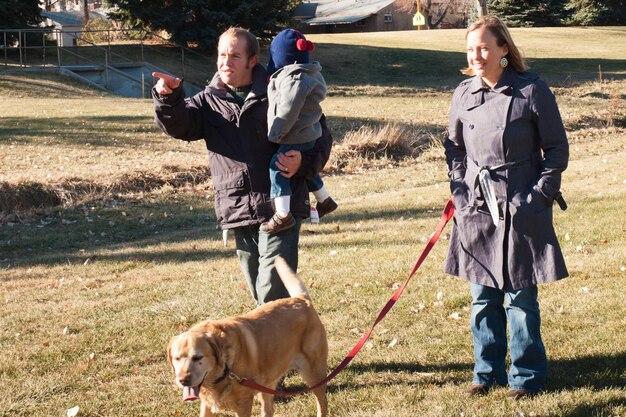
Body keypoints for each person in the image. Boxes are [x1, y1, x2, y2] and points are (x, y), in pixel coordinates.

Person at [151, 27, 333, 305]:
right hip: (238, 208)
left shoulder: (281, 90)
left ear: (252, 60)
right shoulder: (207, 101)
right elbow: (181, 125)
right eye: (222, 55)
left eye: (235, 55)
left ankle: (282, 345)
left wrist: (304, 163)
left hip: (280, 208)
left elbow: (320, 135)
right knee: (261, 298)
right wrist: (168, 98)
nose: (226, 62)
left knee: (272, 296)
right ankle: (279, 345)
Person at [444, 15, 569, 399]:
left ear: (504, 50)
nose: (476, 55)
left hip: (521, 204)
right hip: (477, 207)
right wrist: (462, 195)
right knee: (482, 297)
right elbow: (455, 152)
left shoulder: (532, 90)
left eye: (484, 47)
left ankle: (526, 376)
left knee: (520, 298)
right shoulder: (463, 94)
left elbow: (557, 150)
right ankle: (486, 372)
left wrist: (538, 196)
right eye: (470, 49)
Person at [261, 28, 337, 234]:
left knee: (278, 168)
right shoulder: (308, 74)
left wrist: (275, 133)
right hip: (309, 133)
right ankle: (325, 200)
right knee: (304, 172)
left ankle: (282, 215)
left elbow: (287, 109)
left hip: (296, 134)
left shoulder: (293, 80)